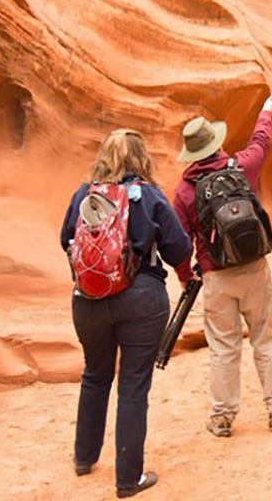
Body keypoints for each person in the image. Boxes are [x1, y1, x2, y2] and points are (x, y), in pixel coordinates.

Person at [60, 129, 190, 498]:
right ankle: (127, 480)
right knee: (133, 385)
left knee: (95, 375)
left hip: (87, 300)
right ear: (140, 158)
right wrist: (184, 276)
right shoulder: (147, 196)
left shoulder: (82, 195)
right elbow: (177, 248)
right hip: (142, 299)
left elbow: (65, 240)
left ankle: (84, 458)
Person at [172, 94, 272, 438]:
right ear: (215, 143)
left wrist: (186, 276)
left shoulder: (183, 191)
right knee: (267, 339)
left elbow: (180, 242)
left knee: (224, 348)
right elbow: (261, 142)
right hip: (254, 268)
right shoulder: (241, 167)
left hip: (215, 276)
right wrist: (266, 112)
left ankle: (223, 417)